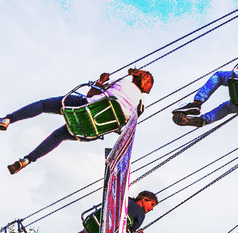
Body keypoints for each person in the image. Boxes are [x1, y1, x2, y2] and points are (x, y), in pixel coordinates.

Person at [4, 68, 153, 175]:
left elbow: (91, 93)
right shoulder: (140, 105)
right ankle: (27, 160)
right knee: (58, 136)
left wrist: (101, 81)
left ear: (136, 77)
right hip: (94, 128)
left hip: (85, 108)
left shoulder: (123, 83)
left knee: (44, 105)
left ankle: (8, 119)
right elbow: (124, 127)